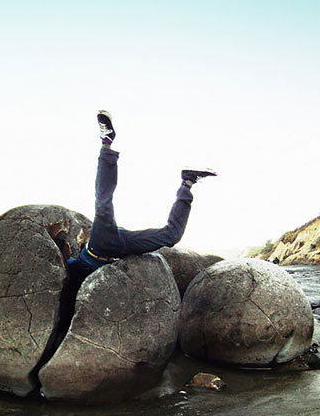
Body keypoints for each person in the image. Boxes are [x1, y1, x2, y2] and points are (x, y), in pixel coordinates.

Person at [66, 110, 216, 289]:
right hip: (123, 248)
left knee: (103, 203)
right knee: (171, 237)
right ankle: (188, 182)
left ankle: (106, 141)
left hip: (101, 244)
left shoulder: (75, 269)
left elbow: (67, 263)